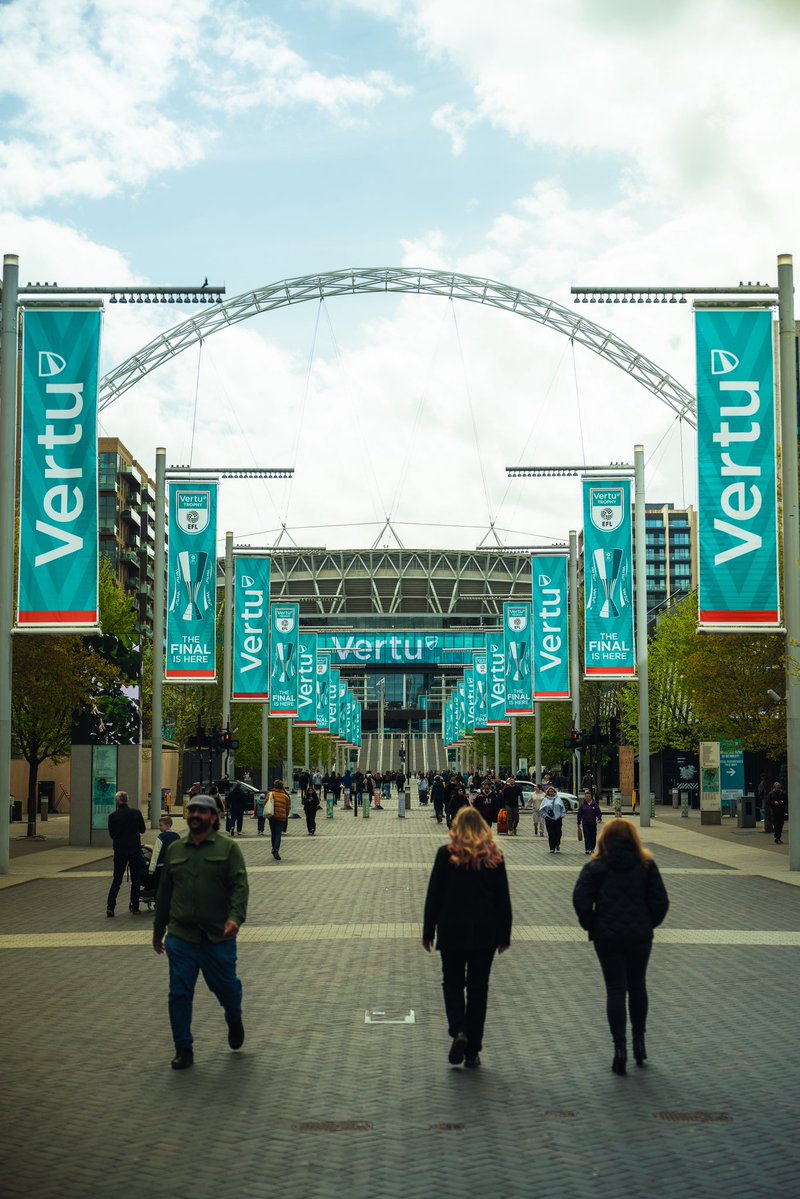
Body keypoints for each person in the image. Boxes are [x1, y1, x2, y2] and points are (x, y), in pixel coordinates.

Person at [153, 794, 249, 1070]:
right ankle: (183, 1047)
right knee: (179, 993)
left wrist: (235, 918)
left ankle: (234, 1017)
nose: (195, 815)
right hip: (182, 937)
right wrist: (158, 931)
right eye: (192, 810)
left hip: (218, 937)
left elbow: (240, 887)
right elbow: (165, 892)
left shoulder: (228, 849)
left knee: (226, 987)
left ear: (214, 817)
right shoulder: (176, 850)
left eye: (202, 811)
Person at [572, 819, 669, 1075]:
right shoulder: (646, 865)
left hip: (607, 937)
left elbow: (580, 900)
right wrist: (648, 923)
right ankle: (640, 1041)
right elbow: (661, 902)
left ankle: (619, 1048)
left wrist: (593, 924)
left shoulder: (596, 867)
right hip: (639, 936)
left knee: (615, 989)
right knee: (638, 986)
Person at [423, 806, 512, 1068]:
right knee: (478, 988)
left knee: (451, 983)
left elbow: (434, 896)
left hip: (452, 931)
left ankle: (459, 1030)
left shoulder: (446, 854)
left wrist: (429, 932)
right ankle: (473, 1048)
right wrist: (504, 934)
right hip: (485, 934)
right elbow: (502, 899)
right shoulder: (494, 856)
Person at [106, 790, 146, 917]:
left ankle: (111, 907)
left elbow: (112, 834)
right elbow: (142, 830)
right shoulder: (136, 813)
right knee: (136, 879)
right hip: (134, 849)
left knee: (117, 879)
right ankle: (135, 907)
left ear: (117, 802)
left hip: (120, 851)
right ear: (127, 800)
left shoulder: (113, 816)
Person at [148, 814, 181, 894]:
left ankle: (158, 903)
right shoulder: (177, 837)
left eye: (161, 825)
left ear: (167, 826)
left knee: (159, 888)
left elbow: (156, 853)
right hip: (174, 866)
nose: (159, 827)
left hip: (161, 867)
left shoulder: (161, 837)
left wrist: (151, 869)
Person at [267, 779, 292, 860]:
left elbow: (266, 803)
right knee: (278, 834)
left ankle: (273, 848)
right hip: (281, 817)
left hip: (272, 816)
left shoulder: (270, 794)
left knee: (273, 833)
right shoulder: (285, 796)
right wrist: (285, 816)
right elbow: (288, 808)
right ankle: (276, 849)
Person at [540, 786, 566, 853]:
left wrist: (562, 815)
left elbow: (562, 808)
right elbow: (541, 809)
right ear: (548, 792)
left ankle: (557, 844)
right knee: (551, 833)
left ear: (554, 792)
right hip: (549, 818)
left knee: (558, 832)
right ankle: (552, 847)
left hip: (558, 818)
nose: (551, 793)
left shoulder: (558, 799)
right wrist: (545, 816)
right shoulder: (545, 799)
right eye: (550, 791)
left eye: (552, 791)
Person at [577, 790, 603, 856]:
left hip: (593, 823)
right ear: (585, 798)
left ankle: (592, 848)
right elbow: (579, 815)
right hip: (585, 823)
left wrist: (599, 818)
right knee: (587, 836)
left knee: (593, 836)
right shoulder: (583, 806)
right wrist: (578, 823)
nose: (587, 798)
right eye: (586, 796)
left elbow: (598, 813)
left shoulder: (595, 805)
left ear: (591, 797)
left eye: (589, 796)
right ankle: (587, 849)